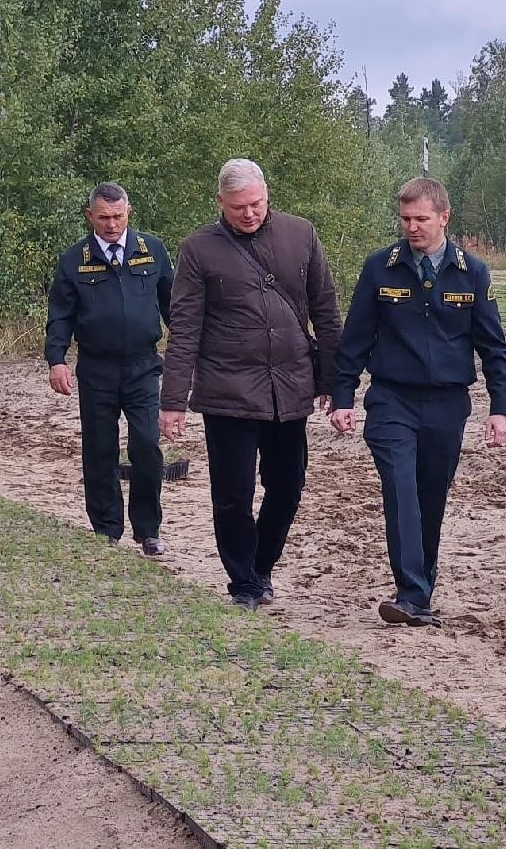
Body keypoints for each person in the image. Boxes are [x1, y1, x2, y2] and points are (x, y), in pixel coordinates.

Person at [329, 176, 506, 628]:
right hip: (392, 400)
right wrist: (343, 397)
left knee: (431, 499)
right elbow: (353, 340)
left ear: (444, 217)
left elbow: (493, 346)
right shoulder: (381, 269)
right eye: (405, 219)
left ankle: (420, 593)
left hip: (447, 405)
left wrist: (500, 407)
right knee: (401, 490)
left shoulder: (473, 273)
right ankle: (411, 593)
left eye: (421, 219)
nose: (411, 227)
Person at [160, 159, 342, 610]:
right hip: (227, 392)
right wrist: (173, 401)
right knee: (233, 494)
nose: (249, 213)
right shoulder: (198, 249)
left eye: (256, 204)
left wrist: (335, 382)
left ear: (267, 194)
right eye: (239, 206)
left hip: (291, 387)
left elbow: (326, 311)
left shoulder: (301, 234)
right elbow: (184, 329)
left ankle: (261, 565)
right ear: (220, 202)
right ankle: (242, 581)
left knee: (287, 486)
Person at [46, 182, 174, 557]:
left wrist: (188, 358)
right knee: (100, 449)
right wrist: (56, 360)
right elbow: (60, 315)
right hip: (96, 367)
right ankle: (107, 529)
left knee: (146, 445)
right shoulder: (74, 260)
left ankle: (148, 529)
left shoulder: (153, 251)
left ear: (128, 212)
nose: (112, 225)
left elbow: (176, 309)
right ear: (90, 216)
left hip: (143, 365)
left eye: (118, 217)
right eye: (104, 218)